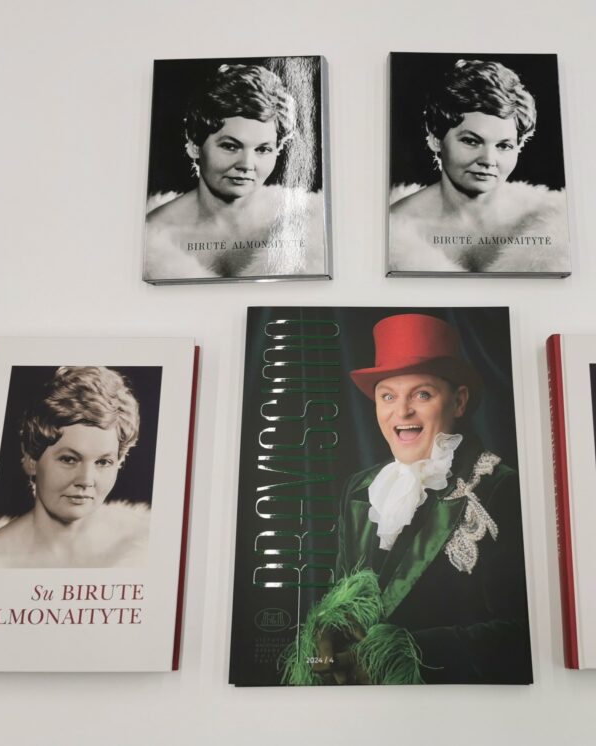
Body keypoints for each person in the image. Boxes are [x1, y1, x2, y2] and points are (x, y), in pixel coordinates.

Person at [281, 314, 532, 685]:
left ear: (458, 402)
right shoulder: (361, 488)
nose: (401, 412)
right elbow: (341, 593)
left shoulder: (501, 488)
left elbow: (522, 635)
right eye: (388, 396)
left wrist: (402, 654)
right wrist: (329, 635)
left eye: (422, 394)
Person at [144, 63, 324, 280]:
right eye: (230, 146)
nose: (247, 164)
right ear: (194, 146)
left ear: (277, 151)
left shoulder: (311, 224)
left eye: (263, 149)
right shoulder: (153, 238)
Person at [389, 59, 568, 273]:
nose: (488, 160)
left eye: (504, 145)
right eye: (471, 141)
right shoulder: (395, 230)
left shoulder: (551, 220)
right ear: (435, 139)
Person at [0, 366, 150, 568]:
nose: (86, 480)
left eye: (103, 462)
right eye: (69, 459)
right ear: (31, 459)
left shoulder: (141, 546)